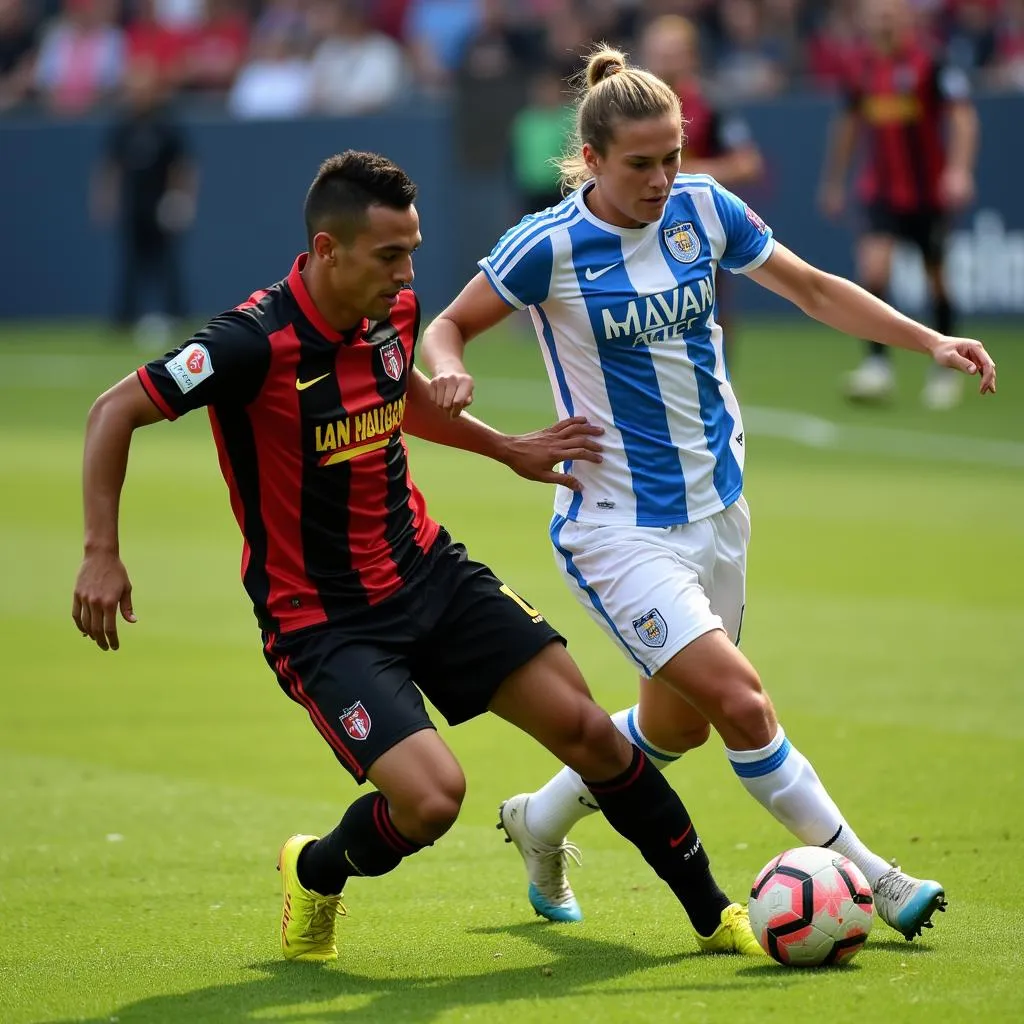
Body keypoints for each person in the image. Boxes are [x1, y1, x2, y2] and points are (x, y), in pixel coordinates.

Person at [71, 150, 764, 963]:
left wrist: (506, 448)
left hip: (430, 572)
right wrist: (100, 553)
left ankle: (717, 916)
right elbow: (113, 410)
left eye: (413, 252)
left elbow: (400, 400)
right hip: (322, 620)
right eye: (389, 256)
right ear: (328, 251)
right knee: (433, 801)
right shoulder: (249, 343)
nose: (407, 277)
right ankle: (317, 868)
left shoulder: (390, 313)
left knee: (591, 733)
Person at [421, 47, 995, 940]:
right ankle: (876, 879)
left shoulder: (704, 210)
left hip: (720, 510)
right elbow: (447, 325)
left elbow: (810, 287)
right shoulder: (549, 245)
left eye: (673, 157)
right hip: (617, 527)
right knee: (742, 703)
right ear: (593, 160)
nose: (661, 180)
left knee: (675, 728)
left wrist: (931, 342)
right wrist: (450, 371)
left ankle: (537, 819)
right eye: (640, 164)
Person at [819, 0, 979, 409]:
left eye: (890, 16)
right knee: (874, 269)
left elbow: (962, 117)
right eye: (876, 18)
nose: (883, 24)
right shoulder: (861, 67)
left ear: (906, 19)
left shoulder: (932, 63)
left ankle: (947, 370)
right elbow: (849, 125)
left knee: (937, 279)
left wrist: (959, 170)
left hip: (927, 195)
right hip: (881, 192)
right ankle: (878, 367)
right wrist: (835, 181)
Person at [639, 12, 764, 358]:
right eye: (659, 53)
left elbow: (749, 164)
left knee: (711, 307)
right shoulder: (629, 108)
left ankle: (722, 383)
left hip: (696, 225)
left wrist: (687, 171)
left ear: (691, 56)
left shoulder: (711, 105)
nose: (665, 61)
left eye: (673, 52)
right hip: (639, 225)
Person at [91, 58, 198, 339]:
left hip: (160, 205)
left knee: (167, 264)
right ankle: (124, 319)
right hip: (133, 204)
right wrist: (106, 199)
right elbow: (111, 166)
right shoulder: (123, 125)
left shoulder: (166, 124)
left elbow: (182, 165)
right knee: (131, 263)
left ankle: (177, 315)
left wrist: (179, 199)